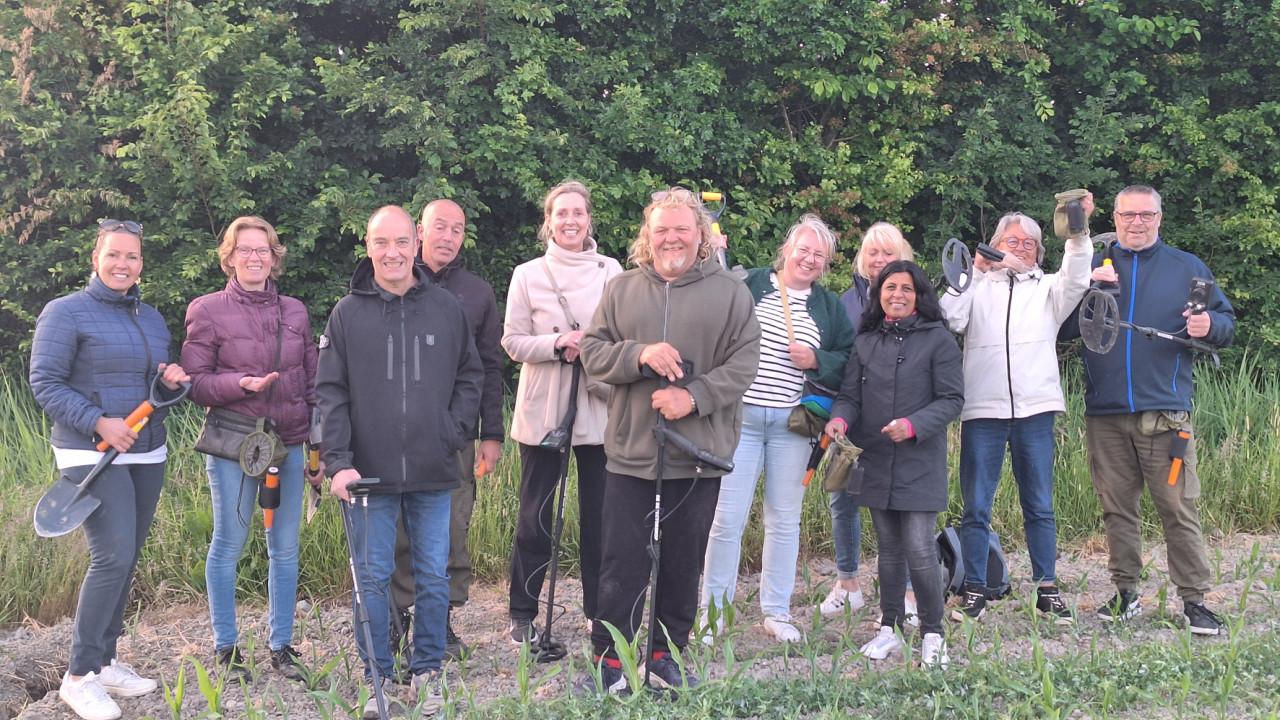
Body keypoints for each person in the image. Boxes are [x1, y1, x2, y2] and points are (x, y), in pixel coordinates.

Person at [578, 187, 760, 692]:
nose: (671, 238)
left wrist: (693, 397)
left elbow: (744, 364)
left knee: (683, 560)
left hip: (697, 453)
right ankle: (611, 662)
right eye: (662, 230)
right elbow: (593, 351)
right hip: (631, 451)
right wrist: (637, 355)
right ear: (648, 236)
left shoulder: (731, 293)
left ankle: (664, 657)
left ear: (701, 235)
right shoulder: (621, 290)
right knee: (620, 561)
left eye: (682, 228)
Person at [316, 206, 482, 717]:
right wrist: (337, 460)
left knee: (433, 575)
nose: (392, 253)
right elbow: (330, 392)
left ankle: (427, 670)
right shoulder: (347, 313)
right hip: (368, 476)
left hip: (434, 471)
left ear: (415, 244)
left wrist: (450, 433)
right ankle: (378, 678)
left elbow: (470, 376)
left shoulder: (445, 308)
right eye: (380, 243)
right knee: (373, 578)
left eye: (400, 242)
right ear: (368, 247)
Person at [30, 219, 191, 720]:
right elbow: (45, 382)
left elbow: (152, 394)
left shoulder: (151, 318)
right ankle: (78, 677)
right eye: (114, 255)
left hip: (146, 450)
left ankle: (106, 659)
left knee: (129, 555)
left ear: (142, 263)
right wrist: (99, 421)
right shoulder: (64, 312)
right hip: (90, 453)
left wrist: (167, 385)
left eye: (133, 257)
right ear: (95, 258)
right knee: (113, 556)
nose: (124, 265)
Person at [1068, 185, 1234, 635]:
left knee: (1178, 509)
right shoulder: (1094, 265)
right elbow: (1061, 326)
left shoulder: (1186, 267)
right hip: (1105, 414)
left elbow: (1225, 324)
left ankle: (1195, 601)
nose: (1136, 222)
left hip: (1166, 416)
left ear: (1159, 218)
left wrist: (1208, 325)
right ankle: (1126, 594)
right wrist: (1085, 289)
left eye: (1146, 215)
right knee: (1117, 509)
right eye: (1127, 215)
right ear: (1116, 219)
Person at [699, 213, 853, 643]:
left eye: (818, 255)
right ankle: (713, 614)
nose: (808, 259)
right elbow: (712, 308)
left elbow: (849, 359)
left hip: (793, 425)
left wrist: (817, 360)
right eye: (803, 250)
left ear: (826, 264)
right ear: (786, 250)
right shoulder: (748, 284)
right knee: (726, 520)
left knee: (784, 521)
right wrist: (710, 251)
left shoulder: (829, 307)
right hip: (739, 419)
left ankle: (777, 612)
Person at [940, 200, 1093, 624]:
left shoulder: (1048, 290)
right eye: (1012, 241)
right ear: (994, 245)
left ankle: (1047, 588)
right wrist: (971, 276)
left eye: (1030, 243)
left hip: (1035, 410)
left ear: (1039, 253)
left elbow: (1078, 273)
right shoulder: (977, 287)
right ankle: (975, 588)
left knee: (1040, 503)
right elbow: (949, 317)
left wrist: (1078, 232)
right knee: (976, 505)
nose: (1021, 248)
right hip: (983, 410)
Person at [181, 216, 318, 679]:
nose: (255, 257)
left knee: (285, 546)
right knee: (229, 543)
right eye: (245, 250)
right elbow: (194, 383)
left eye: (263, 250)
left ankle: (281, 646)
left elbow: (313, 382)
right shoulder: (207, 309)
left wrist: (318, 445)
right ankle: (227, 647)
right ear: (230, 257)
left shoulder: (296, 311)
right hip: (233, 442)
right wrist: (239, 384)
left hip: (290, 443)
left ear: (274, 257)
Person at [823, 260, 963, 668]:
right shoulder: (866, 341)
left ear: (919, 295)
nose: (897, 295)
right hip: (876, 459)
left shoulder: (939, 339)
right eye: (889, 288)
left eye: (906, 288)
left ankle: (934, 632)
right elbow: (850, 395)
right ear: (878, 294)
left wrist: (913, 425)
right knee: (888, 550)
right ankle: (890, 629)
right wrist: (840, 418)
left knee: (920, 547)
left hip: (920, 459)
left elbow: (952, 400)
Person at [502, 181, 622, 644]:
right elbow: (512, 341)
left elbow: (623, 334)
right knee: (535, 515)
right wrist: (557, 342)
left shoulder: (611, 270)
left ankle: (600, 611)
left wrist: (590, 347)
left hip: (597, 405)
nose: (570, 221)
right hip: (545, 409)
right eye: (561, 213)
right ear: (548, 222)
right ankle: (522, 611)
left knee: (601, 516)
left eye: (578, 212)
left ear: (589, 218)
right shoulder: (527, 273)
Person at [387, 199, 504, 660]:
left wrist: (490, 433)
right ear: (419, 231)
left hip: (455, 434)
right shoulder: (393, 279)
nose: (448, 237)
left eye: (457, 230)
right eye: (440, 227)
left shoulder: (476, 293)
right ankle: (397, 617)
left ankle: (441, 621)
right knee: (399, 530)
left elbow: (490, 367)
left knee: (453, 529)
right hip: (394, 432)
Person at [823, 222, 917, 619]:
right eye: (872, 251)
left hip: (898, 423)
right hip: (850, 419)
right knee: (841, 500)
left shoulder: (912, 299)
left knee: (903, 507)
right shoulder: (843, 303)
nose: (879, 259)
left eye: (887, 252)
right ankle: (847, 582)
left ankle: (910, 593)